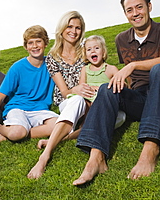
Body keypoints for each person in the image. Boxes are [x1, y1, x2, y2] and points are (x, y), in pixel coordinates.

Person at [73, 0, 160, 185]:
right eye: (129, 10)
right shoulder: (122, 39)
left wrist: (134, 64)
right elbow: (130, 80)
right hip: (144, 100)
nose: (135, 13)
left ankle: (150, 150)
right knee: (107, 88)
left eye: (139, 7)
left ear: (149, 6)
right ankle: (96, 158)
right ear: (125, 14)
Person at [27, 34, 125, 179]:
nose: (93, 51)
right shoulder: (79, 67)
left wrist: (104, 89)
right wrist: (85, 93)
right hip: (82, 100)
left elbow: (122, 85)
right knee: (80, 102)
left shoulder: (110, 69)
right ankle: (45, 156)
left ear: (103, 52)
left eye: (97, 48)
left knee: (121, 117)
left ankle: (63, 138)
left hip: (102, 103)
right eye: (89, 49)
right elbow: (79, 87)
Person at [0, 25, 59, 147]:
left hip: (40, 110)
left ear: (45, 43)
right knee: (17, 133)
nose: (34, 46)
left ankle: (8, 134)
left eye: (38, 41)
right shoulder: (17, 67)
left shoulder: (51, 65)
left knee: (59, 126)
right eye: (30, 43)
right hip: (18, 108)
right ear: (26, 47)